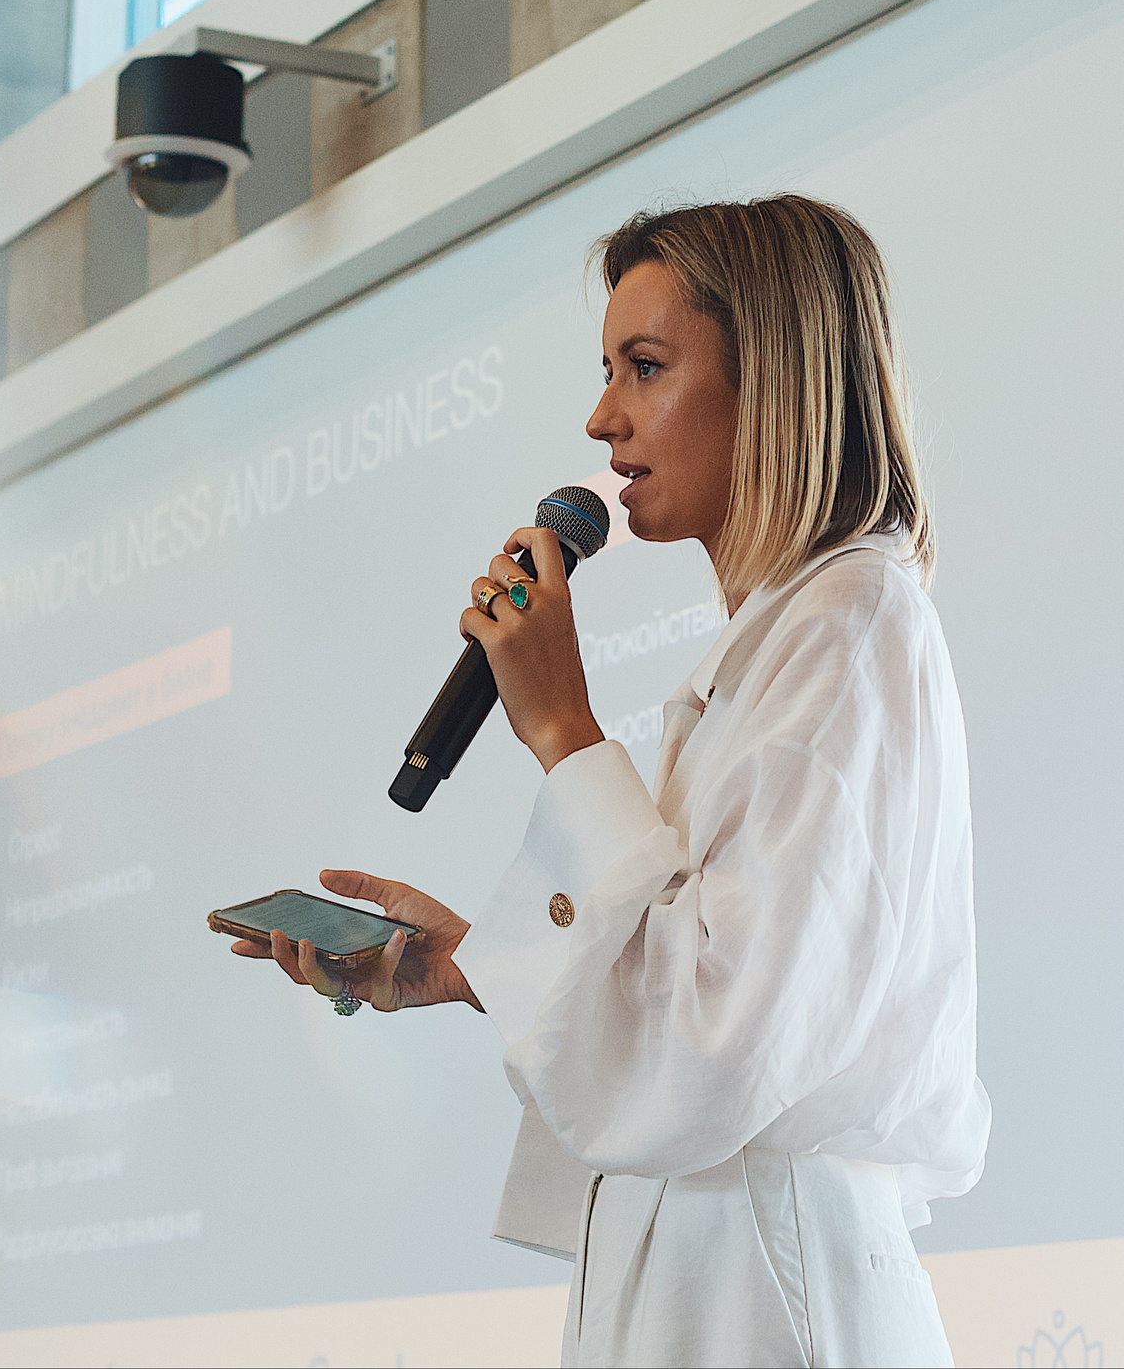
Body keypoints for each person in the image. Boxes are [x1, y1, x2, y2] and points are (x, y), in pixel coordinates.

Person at [231, 195, 987, 1368]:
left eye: (645, 367)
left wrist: (561, 723)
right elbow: (700, 968)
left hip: (766, 1283)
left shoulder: (850, 623)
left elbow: (720, 1035)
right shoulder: (779, 644)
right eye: (608, 371)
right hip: (707, 1259)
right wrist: (471, 966)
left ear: (774, 380)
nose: (601, 418)